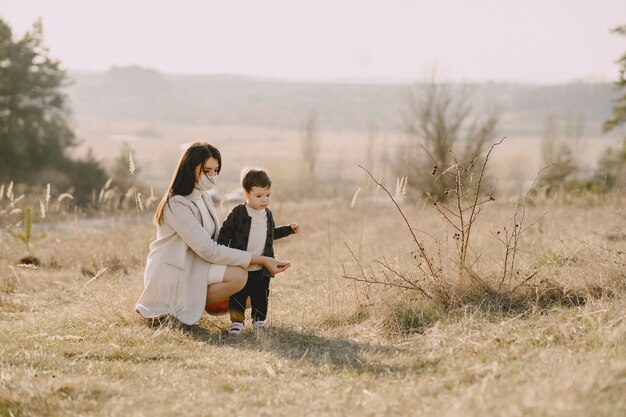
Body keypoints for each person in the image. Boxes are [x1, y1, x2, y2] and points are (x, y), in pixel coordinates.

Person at [135, 142, 290, 326]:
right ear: (190, 168)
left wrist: (259, 256)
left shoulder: (203, 196)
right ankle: (184, 306)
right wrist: (260, 260)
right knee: (240, 277)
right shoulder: (176, 204)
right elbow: (208, 249)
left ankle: (203, 304)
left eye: (216, 170)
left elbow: (216, 239)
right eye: (206, 170)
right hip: (176, 271)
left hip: (199, 264)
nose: (212, 176)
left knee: (253, 287)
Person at [217, 168, 299, 334]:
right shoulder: (238, 213)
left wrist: (288, 229)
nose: (264, 200)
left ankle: (259, 321)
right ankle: (237, 322)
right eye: (259, 196)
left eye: (268, 195)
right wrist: (221, 255)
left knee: (261, 296)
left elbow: (271, 233)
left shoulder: (267, 214)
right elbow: (224, 234)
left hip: (261, 267)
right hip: (241, 265)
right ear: (246, 194)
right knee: (238, 295)